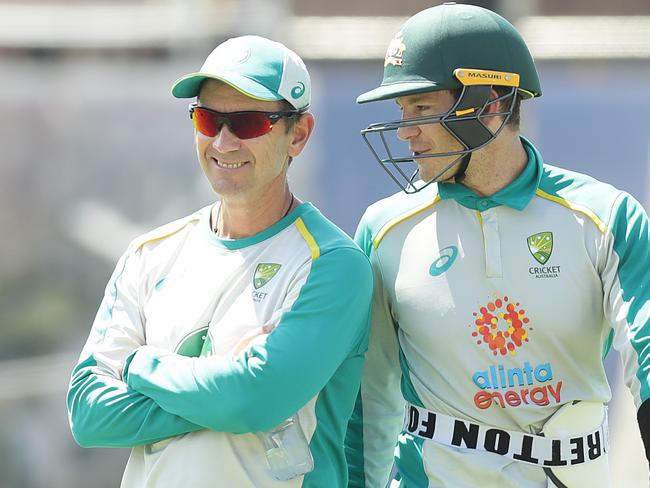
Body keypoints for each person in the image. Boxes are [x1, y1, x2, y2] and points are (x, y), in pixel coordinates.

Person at [345, 3, 650, 487]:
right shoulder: (383, 229)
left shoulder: (607, 216)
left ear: (489, 104)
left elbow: (647, 355)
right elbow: (368, 399)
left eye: (422, 108)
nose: (405, 131)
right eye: (402, 112)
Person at [66, 35, 373, 488]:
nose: (223, 141)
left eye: (248, 122)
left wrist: (141, 366)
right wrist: (225, 392)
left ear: (299, 135)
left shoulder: (333, 264)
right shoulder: (149, 254)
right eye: (208, 119)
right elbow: (88, 414)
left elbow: (255, 400)